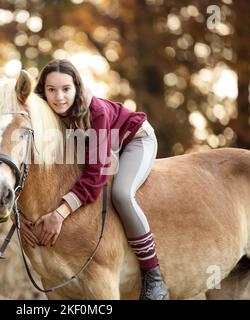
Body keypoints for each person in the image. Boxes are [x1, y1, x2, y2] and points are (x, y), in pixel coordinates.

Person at [21, 59, 169, 300]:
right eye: (51, 90)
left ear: (76, 88)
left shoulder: (96, 112)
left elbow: (95, 174)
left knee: (121, 193)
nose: (59, 97)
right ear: (43, 91)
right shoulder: (42, 114)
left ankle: (153, 276)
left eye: (66, 89)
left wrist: (59, 214)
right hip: (100, 148)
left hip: (135, 140)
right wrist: (20, 219)